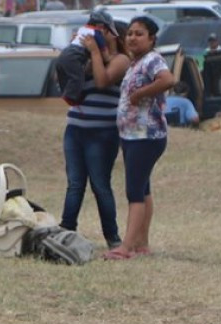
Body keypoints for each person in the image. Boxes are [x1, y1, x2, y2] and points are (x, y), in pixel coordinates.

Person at [105, 16, 174, 260]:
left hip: (145, 135)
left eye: (139, 33)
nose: (133, 37)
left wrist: (140, 95)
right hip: (132, 135)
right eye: (130, 33)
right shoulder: (137, 62)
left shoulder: (153, 59)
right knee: (143, 188)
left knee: (134, 190)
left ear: (152, 38)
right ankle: (141, 243)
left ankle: (125, 247)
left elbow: (168, 79)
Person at [61, 21, 129, 250]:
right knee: (75, 184)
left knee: (100, 184)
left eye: (104, 30)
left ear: (113, 35)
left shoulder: (121, 59)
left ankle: (112, 236)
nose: (98, 33)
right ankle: (66, 230)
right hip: (75, 128)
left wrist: (95, 52)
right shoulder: (84, 55)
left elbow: (102, 80)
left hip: (102, 132)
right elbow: (63, 78)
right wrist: (73, 49)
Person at [56, 11, 115, 105]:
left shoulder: (82, 29)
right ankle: (71, 97)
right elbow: (105, 54)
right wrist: (109, 58)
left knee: (66, 77)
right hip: (74, 57)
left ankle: (66, 93)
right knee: (77, 77)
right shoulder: (96, 33)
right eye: (107, 30)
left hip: (64, 54)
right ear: (102, 26)